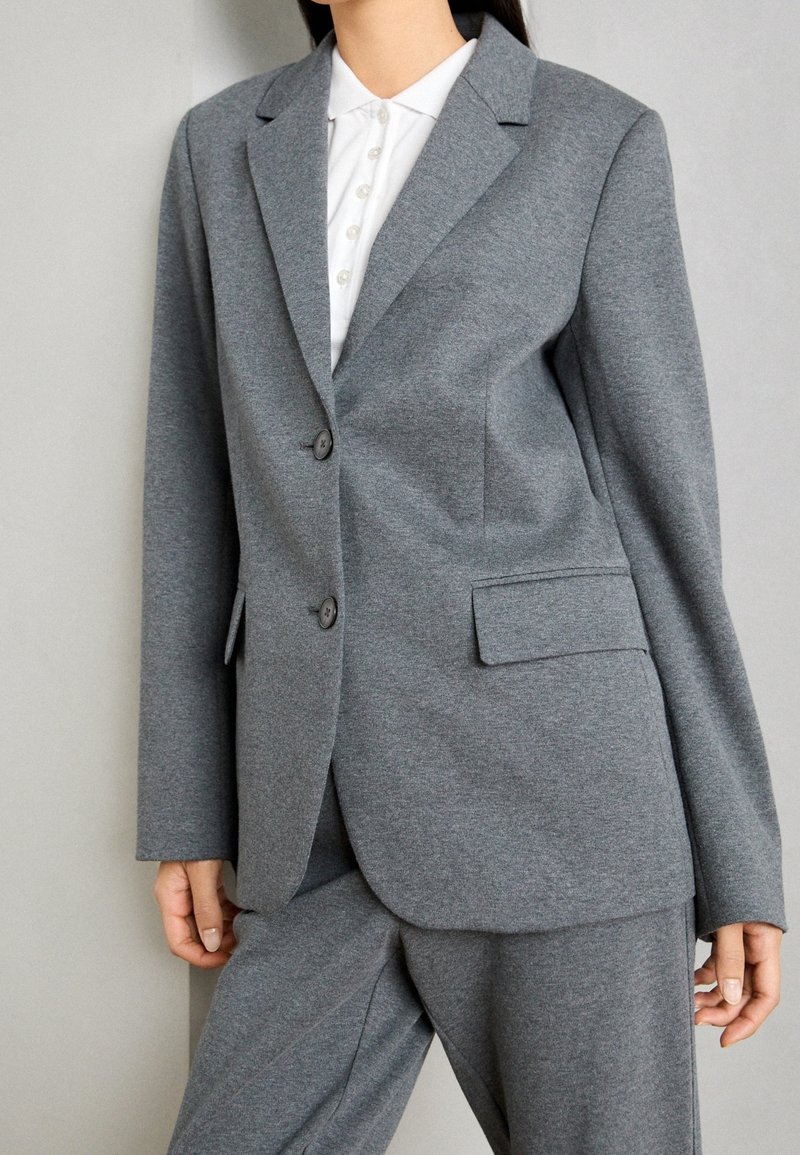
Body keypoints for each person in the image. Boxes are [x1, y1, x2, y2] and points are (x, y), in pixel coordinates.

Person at [135, 1, 788, 1151]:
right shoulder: (223, 143)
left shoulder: (591, 138)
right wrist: (187, 799)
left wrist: (738, 861)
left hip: (558, 795)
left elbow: (662, 506)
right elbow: (192, 478)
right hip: (307, 805)